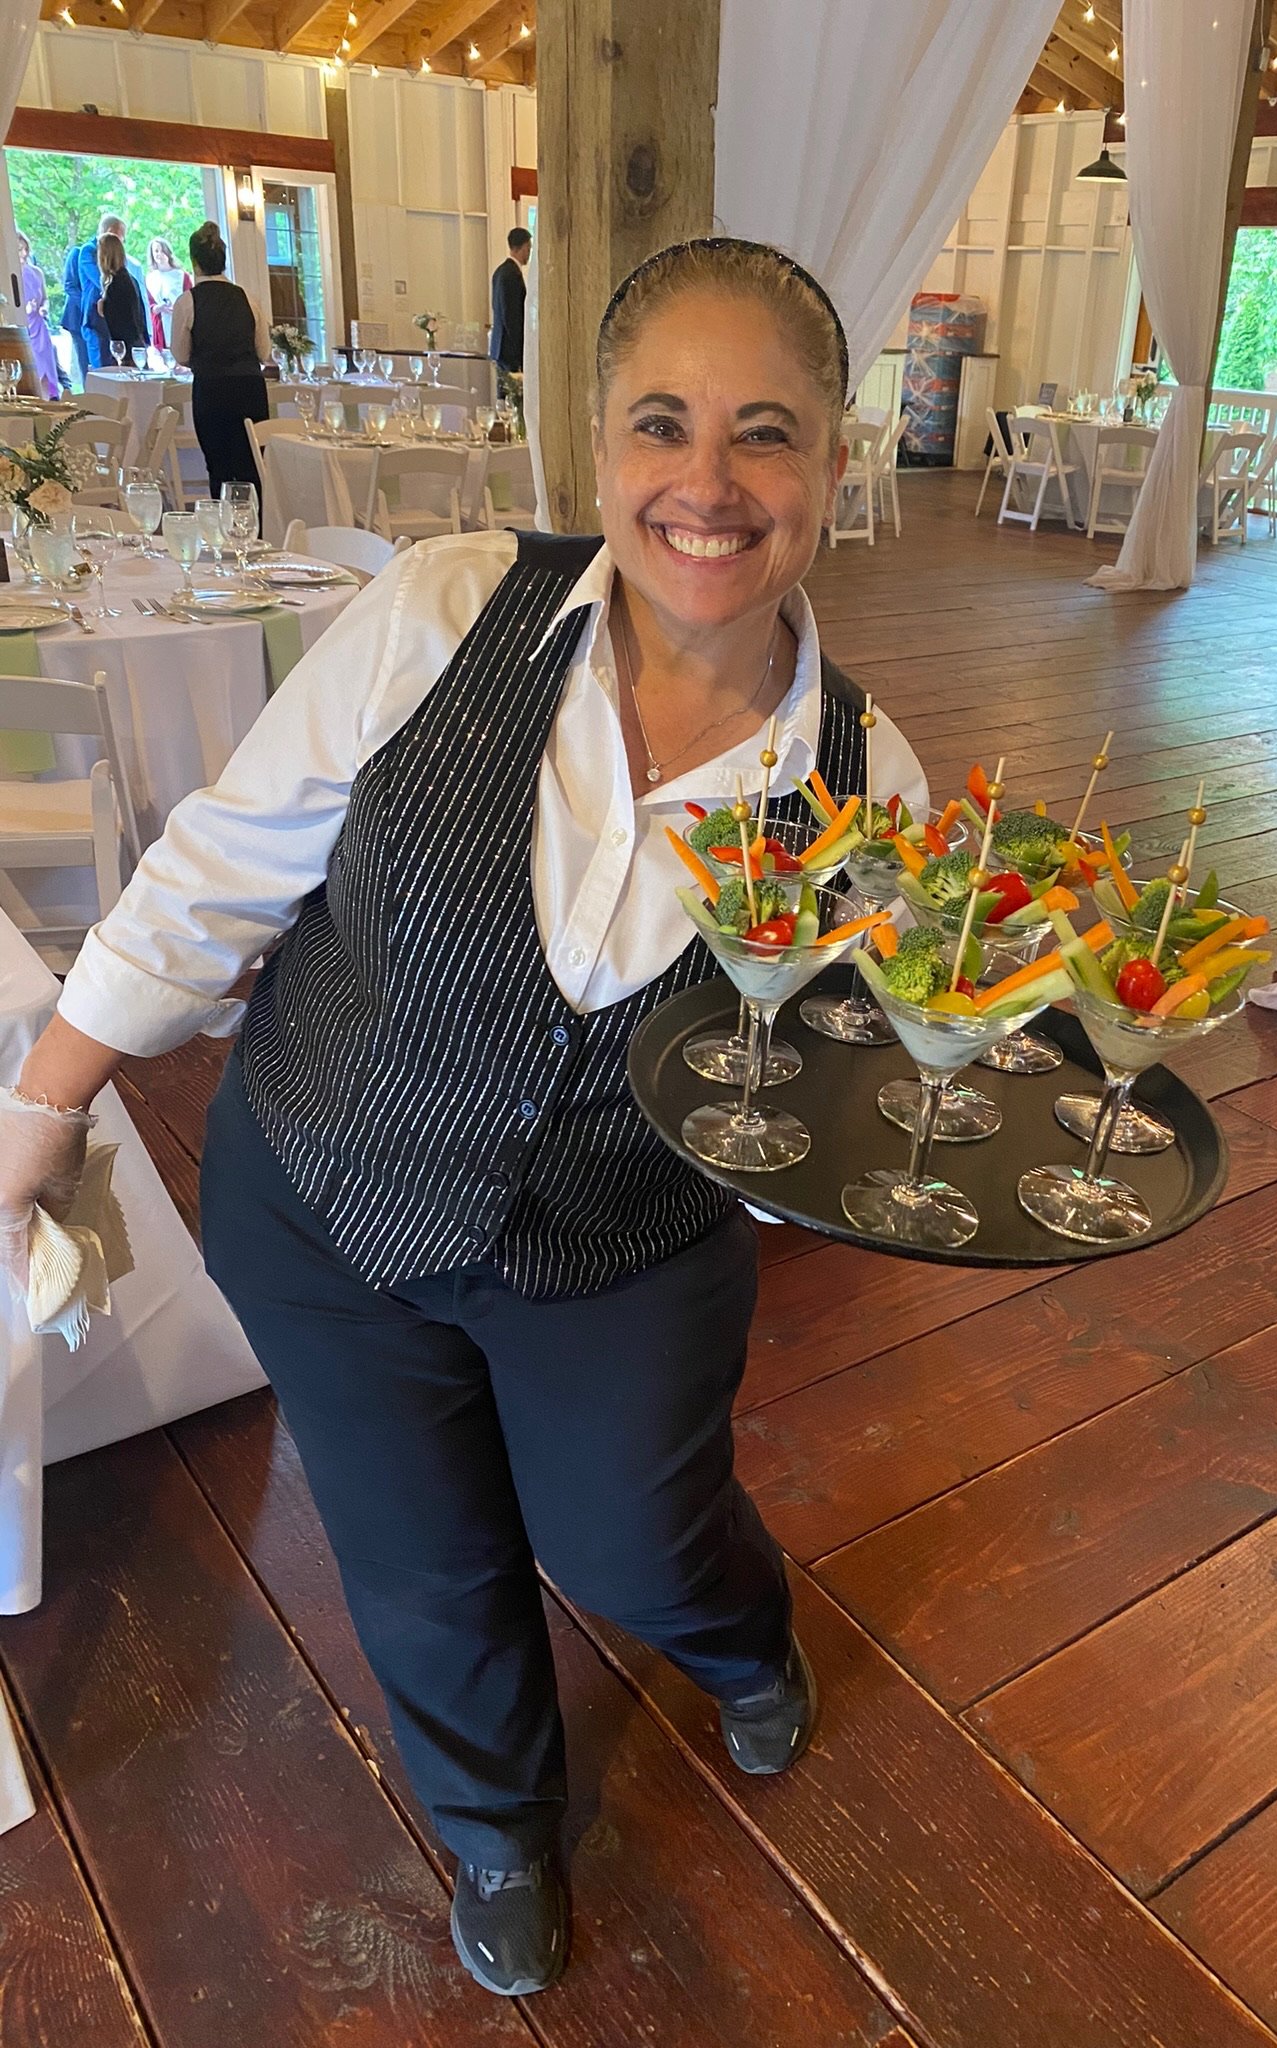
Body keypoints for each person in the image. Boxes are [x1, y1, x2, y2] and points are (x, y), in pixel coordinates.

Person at [2, 237, 925, 2002]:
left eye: (767, 434)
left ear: (835, 456)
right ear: (598, 442)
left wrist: (909, 1099)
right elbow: (217, 871)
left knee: (636, 1538)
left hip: (624, 1243)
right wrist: (44, 1106)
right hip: (329, 1197)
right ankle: (498, 1822)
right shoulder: (445, 606)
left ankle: (736, 1631)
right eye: (664, 422)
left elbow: (821, 1089)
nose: (709, 485)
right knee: (419, 1559)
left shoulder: (866, 780)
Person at [169, 221, 269, 499]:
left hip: (212, 391)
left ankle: (224, 533)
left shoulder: (187, 302)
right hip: (251, 390)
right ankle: (258, 531)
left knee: (219, 468)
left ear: (194, 262)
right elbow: (263, 352)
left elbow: (180, 354)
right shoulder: (248, 297)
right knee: (253, 468)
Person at [75, 213, 149, 371]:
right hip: (111, 333)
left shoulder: (118, 282)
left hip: (119, 340)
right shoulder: (88, 252)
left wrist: (105, 306)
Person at [17, 234, 60, 398]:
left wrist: (43, 308)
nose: (24, 253)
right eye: (20, 249)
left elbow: (45, 298)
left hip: (39, 327)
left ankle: (51, 398)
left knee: (47, 369)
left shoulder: (36, 273)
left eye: (26, 249)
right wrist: (24, 309)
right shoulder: (10, 276)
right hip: (23, 328)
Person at [96, 233, 147, 361]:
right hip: (134, 343)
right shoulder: (129, 279)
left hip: (125, 348)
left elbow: (116, 321)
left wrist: (103, 308)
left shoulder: (116, 285)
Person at [490, 225, 530, 385]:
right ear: (523, 247)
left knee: (503, 396)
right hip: (510, 350)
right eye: (529, 248)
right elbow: (512, 316)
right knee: (512, 398)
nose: (529, 253)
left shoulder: (500, 272)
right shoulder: (512, 274)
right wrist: (521, 352)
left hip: (499, 347)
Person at [145, 235, 191, 356]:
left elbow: (189, 299)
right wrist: (158, 308)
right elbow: (149, 304)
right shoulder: (150, 278)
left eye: (161, 250)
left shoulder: (181, 276)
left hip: (178, 321)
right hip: (161, 325)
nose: (159, 254)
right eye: (155, 251)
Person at [59, 241, 86, 389]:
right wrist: (87, 305)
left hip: (95, 319)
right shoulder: (77, 253)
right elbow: (69, 285)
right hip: (77, 317)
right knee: (83, 358)